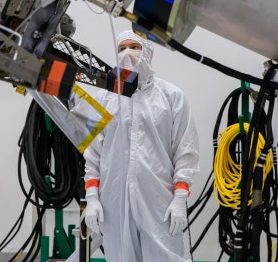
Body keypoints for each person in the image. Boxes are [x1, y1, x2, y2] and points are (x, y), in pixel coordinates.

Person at [83, 30, 200, 262]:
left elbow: (185, 151)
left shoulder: (172, 96)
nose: (128, 52)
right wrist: (92, 197)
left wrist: (179, 198)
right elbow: (92, 154)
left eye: (134, 47)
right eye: (122, 48)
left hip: (159, 202)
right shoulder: (102, 98)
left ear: (149, 53)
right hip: (114, 203)